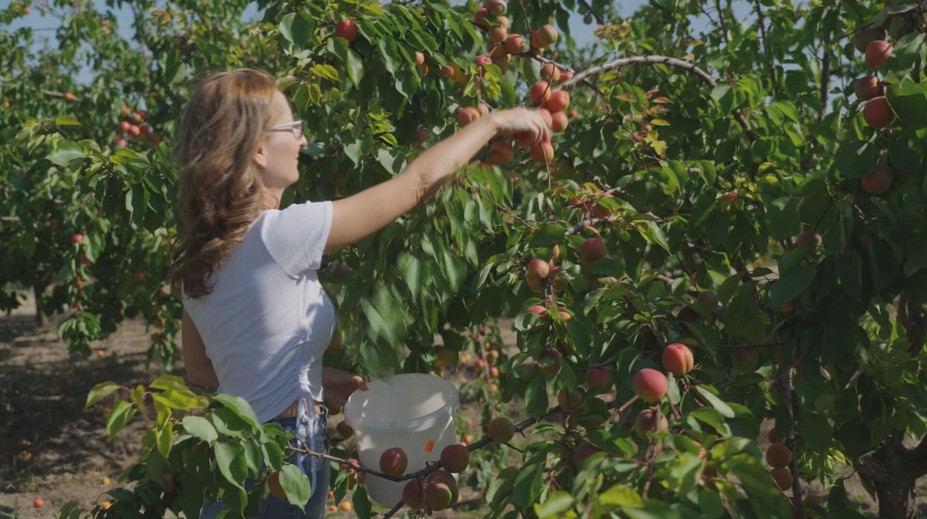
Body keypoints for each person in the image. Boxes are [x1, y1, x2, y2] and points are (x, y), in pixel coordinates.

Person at [169, 68, 549, 518]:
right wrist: (492, 124)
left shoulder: (200, 258)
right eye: (293, 128)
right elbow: (416, 184)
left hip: (235, 455)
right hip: (287, 454)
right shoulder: (283, 234)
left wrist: (314, 378)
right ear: (257, 149)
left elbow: (204, 369)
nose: (303, 141)